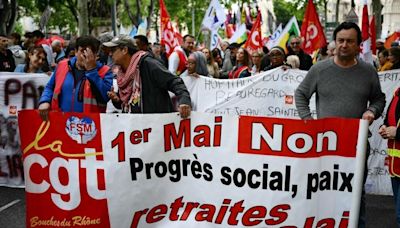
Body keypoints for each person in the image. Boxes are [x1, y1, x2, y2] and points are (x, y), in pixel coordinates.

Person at [295, 21, 386, 228]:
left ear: (358, 45)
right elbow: (301, 94)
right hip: (324, 146)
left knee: (355, 193)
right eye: (340, 40)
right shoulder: (319, 69)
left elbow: (379, 99)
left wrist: (372, 111)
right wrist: (307, 119)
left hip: (357, 145)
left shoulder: (368, 72)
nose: (344, 45)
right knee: (322, 192)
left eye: (349, 41)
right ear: (334, 42)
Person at [104, 35, 191, 118]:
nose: (110, 54)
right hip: (135, 129)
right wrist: (117, 100)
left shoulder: (148, 64)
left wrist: (184, 100)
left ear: (124, 50)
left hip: (155, 125)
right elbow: (127, 102)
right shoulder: (122, 74)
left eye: (113, 50)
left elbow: (174, 81)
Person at [38, 35, 113, 121]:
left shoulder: (105, 71)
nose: (85, 56)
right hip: (61, 122)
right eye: (82, 51)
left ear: (96, 55)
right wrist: (45, 101)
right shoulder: (62, 65)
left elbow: (104, 97)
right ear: (76, 52)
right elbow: (50, 87)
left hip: (89, 126)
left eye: (90, 52)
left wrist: (91, 71)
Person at [378, 87, 400, 227]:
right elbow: (390, 118)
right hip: (396, 167)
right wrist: (384, 127)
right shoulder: (397, 93)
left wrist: (398, 133)